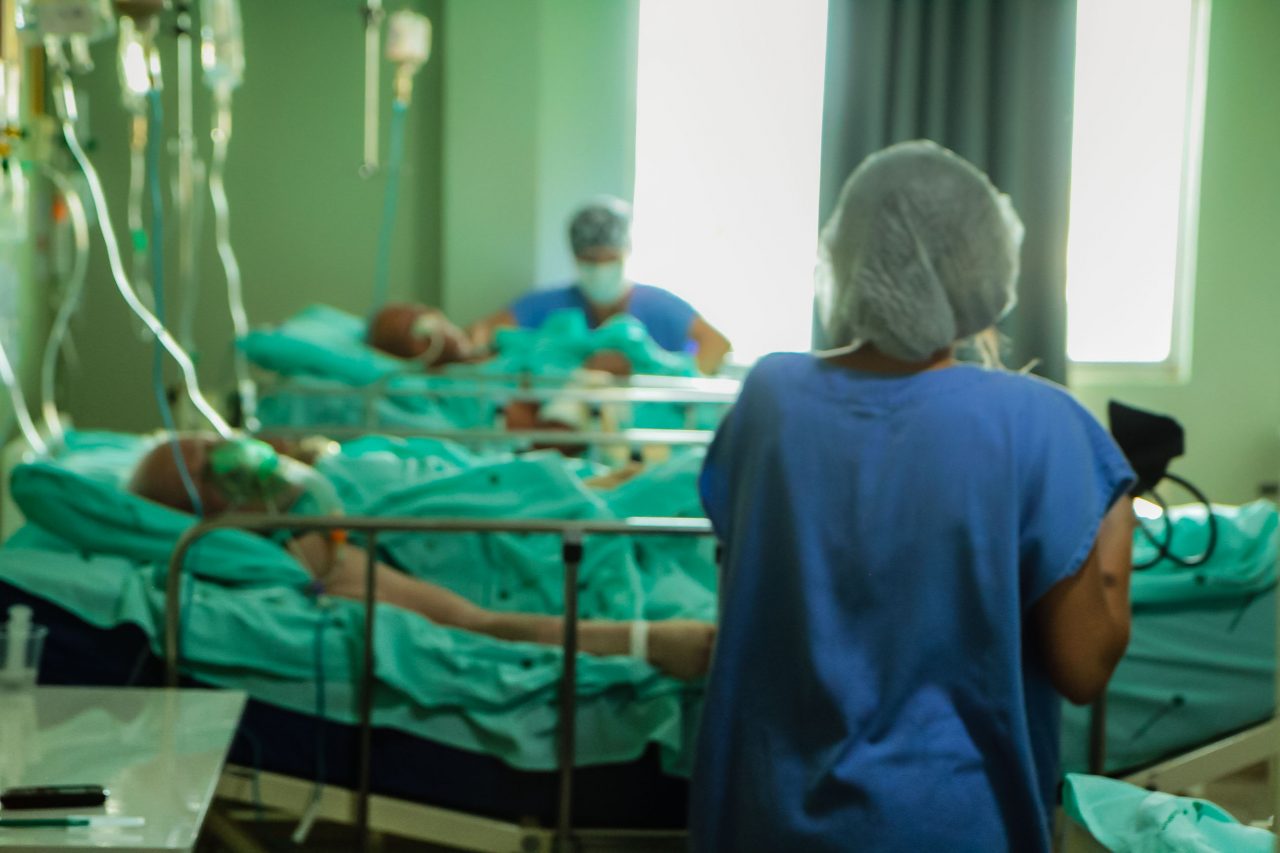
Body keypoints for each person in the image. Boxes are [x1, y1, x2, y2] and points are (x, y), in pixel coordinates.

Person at [691, 141, 1137, 851]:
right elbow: (1084, 666)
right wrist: (1113, 522)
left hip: (768, 816)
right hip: (950, 821)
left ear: (848, 256)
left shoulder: (770, 400)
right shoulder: (1046, 424)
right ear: (983, 271)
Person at [128, 435, 715, 681]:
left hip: (609, 509)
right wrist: (649, 641)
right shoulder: (321, 551)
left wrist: (619, 481)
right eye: (202, 472)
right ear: (202, 520)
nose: (229, 455)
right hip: (595, 563)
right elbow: (472, 623)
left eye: (210, 442)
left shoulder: (333, 468)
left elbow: (489, 482)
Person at [467, 196, 733, 374]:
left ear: (626, 254)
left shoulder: (657, 306)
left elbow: (717, 346)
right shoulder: (551, 307)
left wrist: (657, 374)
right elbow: (482, 334)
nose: (601, 269)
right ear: (575, 258)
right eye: (590, 260)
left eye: (610, 260)